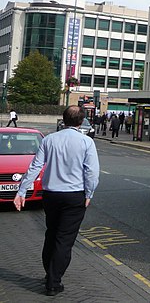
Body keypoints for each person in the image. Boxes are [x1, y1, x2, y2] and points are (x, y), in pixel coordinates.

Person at [13, 105, 100, 296]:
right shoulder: (86, 142)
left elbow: (35, 166)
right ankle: (53, 282)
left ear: (63, 120)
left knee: (51, 234)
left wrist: (22, 191)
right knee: (64, 240)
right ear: (80, 122)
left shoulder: (49, 140)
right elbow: (92, 172)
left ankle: (49, 273)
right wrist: (89, 194)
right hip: (74, 196)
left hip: (51, 195)